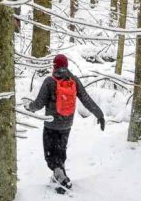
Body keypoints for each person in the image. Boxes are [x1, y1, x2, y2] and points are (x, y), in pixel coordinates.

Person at [23, 54, 105, 190]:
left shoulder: (49, 81)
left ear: (54, 66)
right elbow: (86, 99)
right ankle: (60, 179)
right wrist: (99, 114)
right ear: (66, 66)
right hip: (66, 124)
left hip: (51, 124)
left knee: (50, 155)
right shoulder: (74, 80)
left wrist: (29, 107)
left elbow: (38, 104)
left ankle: (59, 175)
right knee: (60, 151)